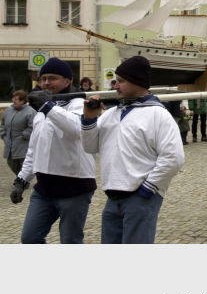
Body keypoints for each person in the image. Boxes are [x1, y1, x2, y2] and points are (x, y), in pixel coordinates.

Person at [81, 56, 184, 244]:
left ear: (137, 81)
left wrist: (147, 189)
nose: (115, 86)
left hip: (141, 196)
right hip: (113, 196)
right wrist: (89, 120)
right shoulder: (111, 114)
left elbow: (173, 158)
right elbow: (89, 147)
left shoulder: (158, 114)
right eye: (115, 81)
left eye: (121, 81)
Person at [10, 58, 97, 243]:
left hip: (75, 188)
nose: (46, 83)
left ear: (67, 81)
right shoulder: (42, 111)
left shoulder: (79, 103)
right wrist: (22, 179)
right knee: (30, 238)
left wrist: (47, 106)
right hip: (44, 189)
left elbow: (76, 128)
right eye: (43, 79)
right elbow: (34, 149)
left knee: (70, 241)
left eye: (52, 78)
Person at [1, 90, 36, 176]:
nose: (14, 101)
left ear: (23, 101)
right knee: (11, 163)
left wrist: (24, 135)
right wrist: (3, 135)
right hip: (9, 143)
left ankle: (22, 180)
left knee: (24, 165)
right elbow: (2, 124)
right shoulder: (8, 111)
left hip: (23, 144)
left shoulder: (30, 112)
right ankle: (20, 178)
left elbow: (34, 126)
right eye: (13, 98)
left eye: (17, 99)